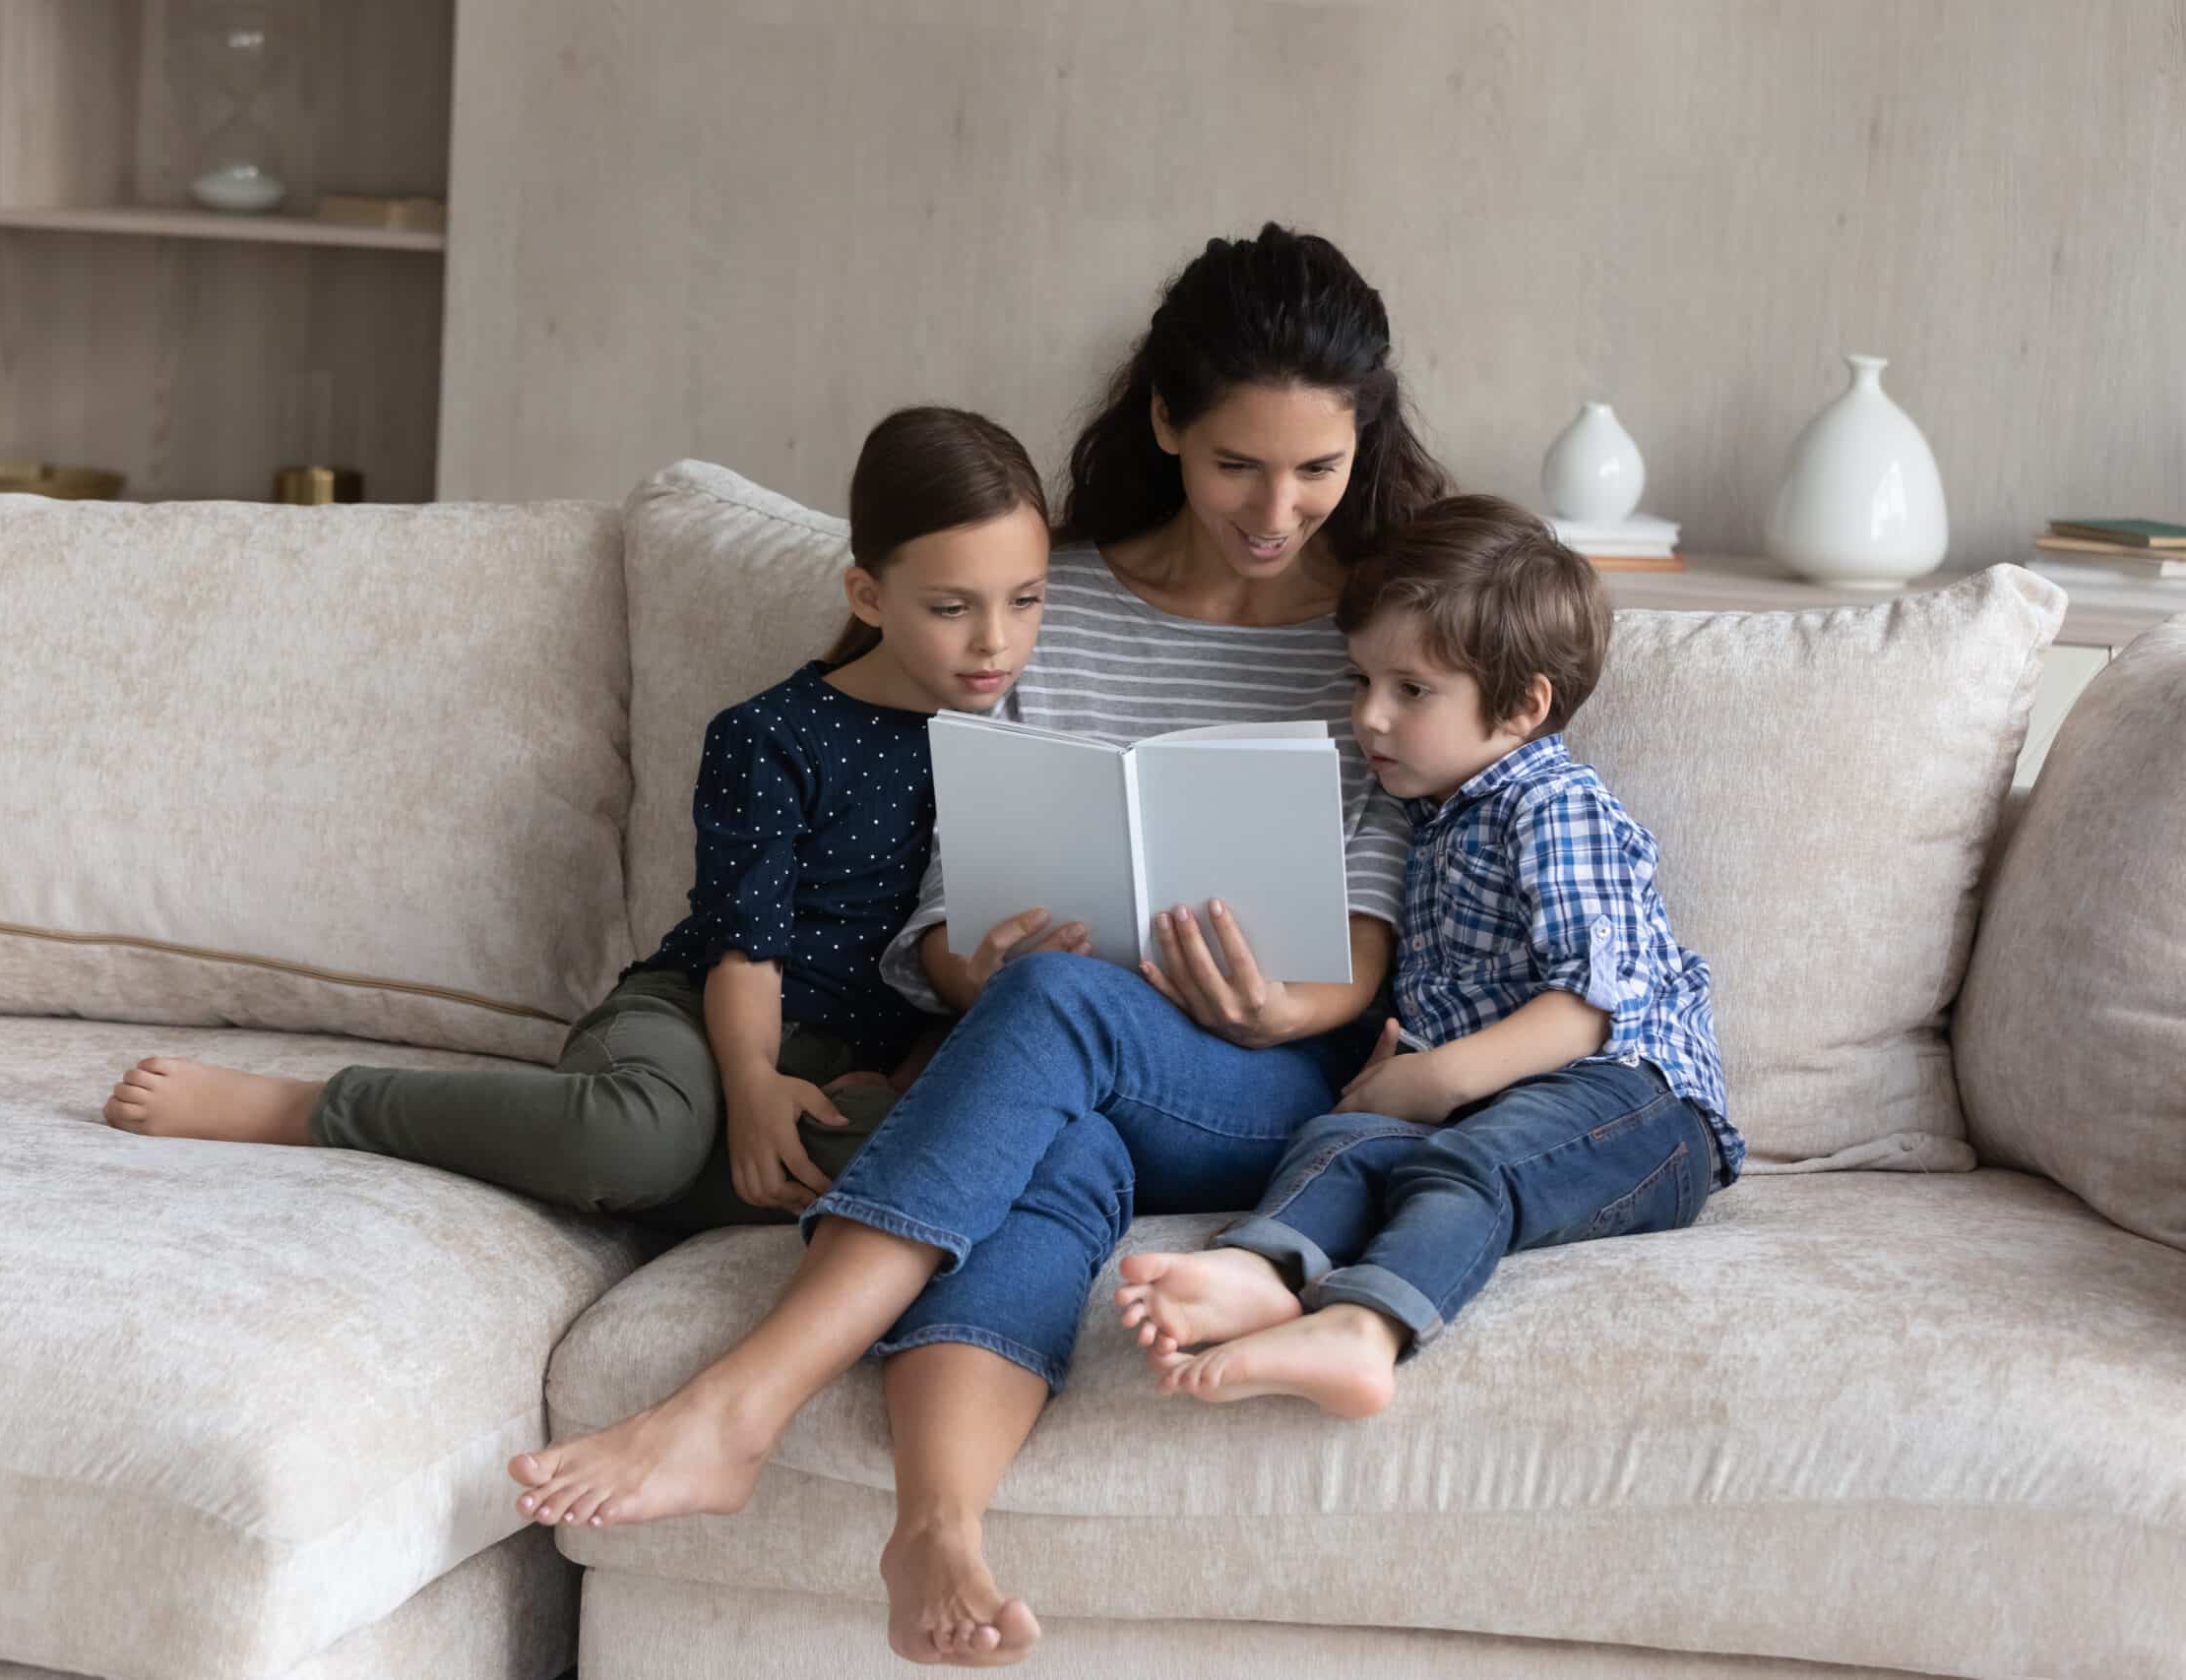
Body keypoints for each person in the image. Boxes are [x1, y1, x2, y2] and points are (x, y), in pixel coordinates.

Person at [506, 224, 1451, 1669]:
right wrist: (971, 961)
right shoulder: (1046, 596)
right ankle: (936, 1525)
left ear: (1362, 442)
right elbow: (941, 914)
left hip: (1263, 1072)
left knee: (1065, 1015)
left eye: (1316, 468)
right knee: (1050, 1133)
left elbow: (1366, 941)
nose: (1277, 509)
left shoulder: (1376, 622)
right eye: (1236, 465)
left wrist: (1278, 1003)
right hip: (1059, 1043)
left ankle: (740, 1402)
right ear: (1163, 425)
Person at [98, 405, 1054, 1231]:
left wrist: (894, 1084)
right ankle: (315, 1109)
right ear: (868, 595)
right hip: (693, 1022)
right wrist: (755, 1088)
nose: (995, 642)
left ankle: (626, 1175)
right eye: (951, 607)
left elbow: (973, 959)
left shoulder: (1020, 747)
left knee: (940, 1167)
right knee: (637, 1133)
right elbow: (743, 951)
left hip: (858, 1067)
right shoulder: (773, 735)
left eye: (1025, 602)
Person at [1120, 495, 1741, 1417]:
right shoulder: (1426, 817)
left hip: (1636, 1105)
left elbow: (1591, 1006)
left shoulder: (1551, 804)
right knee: (1343, 1141)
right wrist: (1401, 1073)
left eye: (1411, 690)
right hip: (1489, 1095)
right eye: (1360, 679)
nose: (1369, 716)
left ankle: (1366, 1331)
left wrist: (1437, 1078)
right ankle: (1258, 1268)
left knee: (1465, 1164)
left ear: (1525, 703)